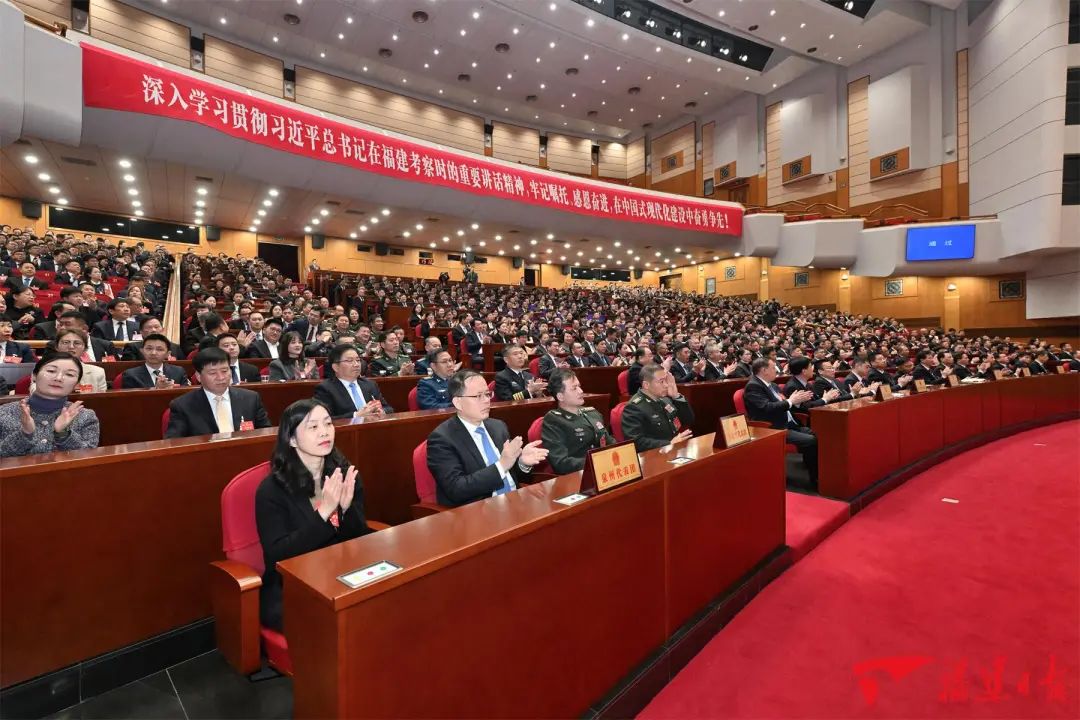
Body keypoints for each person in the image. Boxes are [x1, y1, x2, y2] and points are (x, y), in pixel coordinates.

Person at [254, 399, 374, 631]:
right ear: (291, 439)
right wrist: (324, 513)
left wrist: (346, 509)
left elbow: (358, 538)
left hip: (341, 573)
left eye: (328, 424)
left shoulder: (343, 474)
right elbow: (279, 555)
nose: (324, 432)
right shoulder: (271, 489)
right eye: (313, 427)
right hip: (292, 586)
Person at [425, 370, 548, 506]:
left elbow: (513, 476)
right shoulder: (442, 439)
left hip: (515, 502)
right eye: (478, 396)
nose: (486, 401)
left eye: (487, 394)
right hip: (478, 510)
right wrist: (501, 465)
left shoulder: (498, 426)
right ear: (458, 402)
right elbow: (456, 489)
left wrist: (522, 463)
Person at [0, 352, 100, 457]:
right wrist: (25, 434)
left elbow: (89, 457)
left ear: (77, 384)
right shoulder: (4, 413)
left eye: (69, 374)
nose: (58, 378)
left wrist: (64, 434)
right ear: (34, 375)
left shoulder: (85, 416)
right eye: (51, 371)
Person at [164, 348, 271, 438]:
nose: (220, 377)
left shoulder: (251, 398)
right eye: (212, 373)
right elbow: (174, 443)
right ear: (198, 376)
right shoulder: (183, 406)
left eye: (224, 371)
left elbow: (266, 434)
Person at [743, 358, 818, 484]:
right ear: (764, 370)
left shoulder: (773, 385)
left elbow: (784, 404)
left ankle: (814, 469)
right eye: (773, 368)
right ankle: (814, 478)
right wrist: (790, 401)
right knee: (811, 440)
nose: (777, 370)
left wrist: (796, 401)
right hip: (772, 427)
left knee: (816, 433)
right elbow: (767, 407)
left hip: (788, 423)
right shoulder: (753, 386)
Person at [541, 369, 617, 474]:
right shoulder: (553, 421)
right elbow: (560, 463)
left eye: (579, 386)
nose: (580, 391)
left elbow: (609, 442)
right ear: (560, 396)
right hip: (579, 476)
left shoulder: (592, 413)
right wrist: (597, 462)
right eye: (574, 388)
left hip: (606, 471)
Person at [620, 364, 695, 452]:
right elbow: (636, 442)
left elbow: (688, 420)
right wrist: (669, 443)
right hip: (653, 455)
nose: (666, 385)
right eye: (662, 381)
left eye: (666, 380)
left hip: (673, 451)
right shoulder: (634, 408)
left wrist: (676, 396)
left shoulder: (665, 399)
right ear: (646, 385)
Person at [313, 344, 392, 419]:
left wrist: (382, 411)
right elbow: (324, 418)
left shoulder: (370, 384)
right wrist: (356, 415)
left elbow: (389, 408)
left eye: (358, 360)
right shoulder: (325, 389)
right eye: (350, 361)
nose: (356, 364)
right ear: (335, 367)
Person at [120, 333, 190, 389]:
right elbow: (131, 399)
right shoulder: (131, 375)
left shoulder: (178, 372)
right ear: (142, 351)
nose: (153, 353)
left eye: (159, 349)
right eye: (149, 348)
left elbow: (185, 396)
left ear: (168, 354)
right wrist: (156, 389)